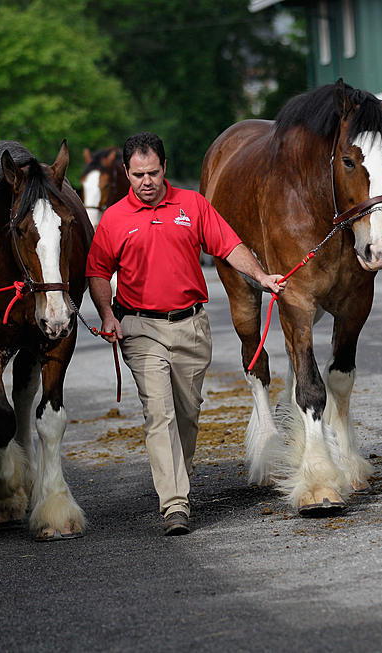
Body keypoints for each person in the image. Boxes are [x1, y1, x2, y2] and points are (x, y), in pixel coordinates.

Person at [86, 132, 285, 535]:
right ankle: (175, 504)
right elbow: (97, 272)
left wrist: (262, 276)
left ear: (165, 169)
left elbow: (229, 246)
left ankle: (179, 480)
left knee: (186, 415)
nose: (146, 181)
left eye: (153, 173)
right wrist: (107, 313)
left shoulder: (192, 205)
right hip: (140, 327)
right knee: (159, 413)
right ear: (126, 172)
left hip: (192, 326)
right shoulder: (114, 220)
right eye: (138, 174)